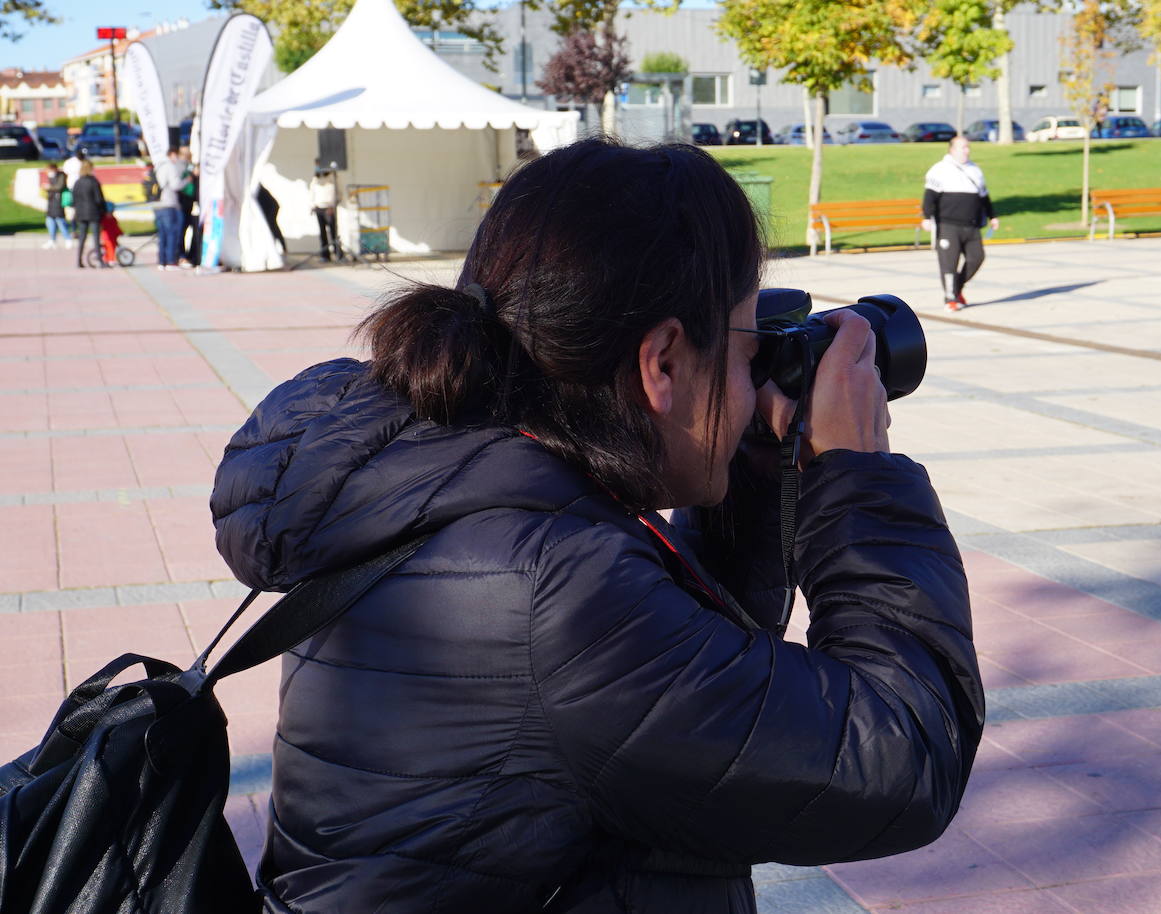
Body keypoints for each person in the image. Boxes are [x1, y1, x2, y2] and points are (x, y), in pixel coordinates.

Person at [211, 138, 983, 913]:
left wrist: (748, 480)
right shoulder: (560, 592)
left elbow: (701, 690)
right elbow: (903, 757)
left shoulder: (443, 478)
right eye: (749, 343)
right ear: (663, 363)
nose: (754, 380)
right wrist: (858, 476)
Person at [922, 135, 999, 311]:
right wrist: (927, 217)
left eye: (968, 147)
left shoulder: (975, 170)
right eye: (963, 147)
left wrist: (992, 216)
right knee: (949, 263)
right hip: (948, 225)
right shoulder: (939, 169)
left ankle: (956, 289)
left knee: (977, 257)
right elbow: (929, 197)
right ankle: (950, 298)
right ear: (952, 149)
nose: (967, 151)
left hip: (971, 225)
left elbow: (984, 197)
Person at [151, 148, 190, 271]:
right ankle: (171, 261)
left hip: (157, 204)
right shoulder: (170, 167)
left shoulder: (158, 166)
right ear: (173, 154)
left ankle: (161, 262)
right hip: (169, 203)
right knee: (172, 233)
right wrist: (187, 180)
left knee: (162, 234)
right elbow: (175, 185)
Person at [71, 160, 109, 269]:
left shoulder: (77, 182)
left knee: (82, 237)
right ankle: (100, 261)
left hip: (81, 213)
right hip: (93, 212)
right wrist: (104, 210)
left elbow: (74, 199)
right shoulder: (93, 182)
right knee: (96, 237)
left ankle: (79, 261)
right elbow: (99, 199)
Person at [309, 161, 341, 261]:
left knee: (333, 233)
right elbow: (312, 194)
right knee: (322, 234)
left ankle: (338, 254)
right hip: (319, 209)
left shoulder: (333, 179)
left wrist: (332, 206)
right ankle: (325, 255)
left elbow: (339, 194)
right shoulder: (315, 179)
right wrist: (312, 206)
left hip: (329, 209)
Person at [42, 161, 72, 250]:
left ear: (54, 169)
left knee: (60, 221)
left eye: (49, 170)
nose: (48, 172)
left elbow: (59, 187)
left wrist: (49, 187)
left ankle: (68, 239)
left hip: (58, 202)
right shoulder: (51, 177)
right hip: (51, 203)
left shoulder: (61, 176)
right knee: (50, 221)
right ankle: (52, 240)